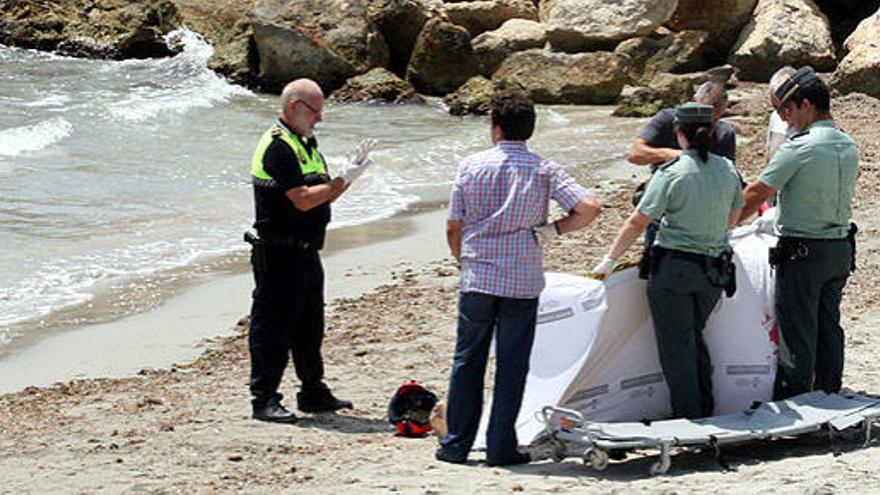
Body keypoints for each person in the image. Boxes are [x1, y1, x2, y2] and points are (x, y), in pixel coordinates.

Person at [437, 90, 602, 465]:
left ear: (496, 128)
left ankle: (456, 444)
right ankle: (500, 446)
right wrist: (551, 231)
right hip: (522, 277)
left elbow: (453, 226)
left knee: (468, 361)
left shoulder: (471, 165)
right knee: (512, 365)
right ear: (529, 130)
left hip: (479, 274)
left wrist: (464, 260)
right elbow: (589, 208)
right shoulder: (543, 169)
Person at [593, 103, 743, 419]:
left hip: (674, 271)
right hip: (713, 272)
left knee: (677, 346)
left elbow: (638, 220)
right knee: (694, 336)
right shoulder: (727, 170)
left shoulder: (672, 173)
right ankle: (706, 407)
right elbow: (733, 216)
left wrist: (609, 260)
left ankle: (690, 415)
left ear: (678, 133)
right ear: (712, 132)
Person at [246, 78, 375, 423]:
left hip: (306, 250)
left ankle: (313, 390)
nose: (319, 119)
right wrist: (340, 181)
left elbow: (323, 194)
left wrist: (347, 179)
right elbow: (301, 200)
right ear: (293, 106)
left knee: (309, 324)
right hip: (278, 252)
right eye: (315, 111)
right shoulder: (278, 147)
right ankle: (264, 398)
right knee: (273, 327)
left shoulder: (306, 142)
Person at [738, 67, 859, 400]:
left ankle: (796, 398)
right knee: (828, 326)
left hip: (803, 252)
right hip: (839, 250)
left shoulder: (800, 148)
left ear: (806, 105)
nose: (784, 118)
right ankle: (829, 389)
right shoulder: (847, 143)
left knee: (797, 328)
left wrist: (723, 227)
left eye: (785, 110)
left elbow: (758, 192)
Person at [626, 81, 737, 247]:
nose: (708, 124)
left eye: (715, 118)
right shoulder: (667, 119)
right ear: (693, 100)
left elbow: (730, 183)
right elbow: (634, 154)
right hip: (663, 208)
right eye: (704, 112)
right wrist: (675, 156)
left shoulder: (725, 133)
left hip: (703, 212)